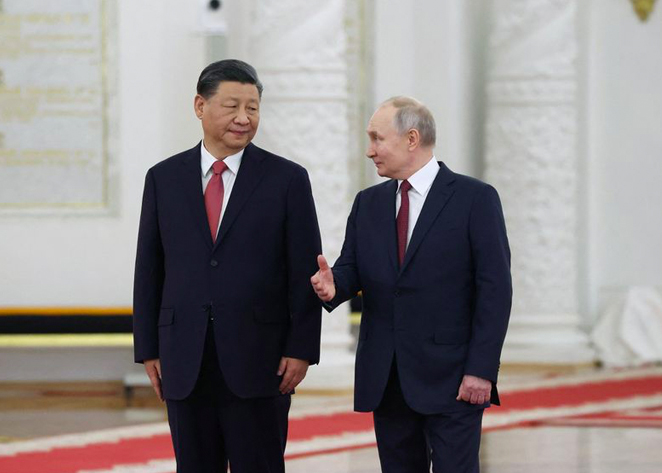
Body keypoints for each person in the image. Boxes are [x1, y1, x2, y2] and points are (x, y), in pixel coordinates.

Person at [133, 59, 322, 473]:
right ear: (200, 106)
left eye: (252, 108)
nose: (243, 118)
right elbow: (150, 269)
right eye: (232, 106)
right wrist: (148, 347)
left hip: (261, 359)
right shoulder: (163, 179)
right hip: (184, 357)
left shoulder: (287, 180)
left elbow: (305, 269)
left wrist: (301, 348)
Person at [311, 97, 512, 472]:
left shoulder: (474, 199)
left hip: (454, 377)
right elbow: (351, 269)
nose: (369, 151)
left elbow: (495, 291)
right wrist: (331, 285)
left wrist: (481, 369)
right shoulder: (368, 203)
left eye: (377, 138)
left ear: (411, 138)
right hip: (387, 377)